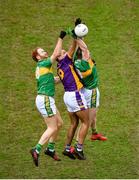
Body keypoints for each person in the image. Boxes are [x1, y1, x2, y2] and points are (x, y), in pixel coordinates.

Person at [30, 31, 66, 167]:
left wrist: (65, 77)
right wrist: (61, 37)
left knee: (60, 124)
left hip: (45, 99)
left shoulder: (42, 68)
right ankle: (36, 149)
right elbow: (56, 54)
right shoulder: (44, 63)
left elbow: (53, 80)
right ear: (38, 57)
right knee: (52, 127)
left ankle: (50, 149)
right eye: (42, 51)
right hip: (45, 99)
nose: (45, 52)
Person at [56, 21, 89, 160]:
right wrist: (75, 33)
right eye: (63, 52)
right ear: (61, 57)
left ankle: (67, 148)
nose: (65, 52)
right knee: (86, 122)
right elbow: (73, 47)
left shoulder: (59, 66)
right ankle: (79, 149)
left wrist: (75, 33)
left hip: (67, 96)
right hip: (75, 94)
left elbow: (72, 49)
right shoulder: (65, 61)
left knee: (74, 123)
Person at [73, 37, 107, 142]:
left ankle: (95, 133)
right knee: (87, 121)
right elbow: (85, 48)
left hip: (84, 91)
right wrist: (76, 36)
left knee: (93, 115)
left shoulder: (76, 61)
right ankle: (75, 145)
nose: (89, 53)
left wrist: (78, 36)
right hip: (92, 92)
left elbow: (82, 47)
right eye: (87, 53)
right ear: (83, 55)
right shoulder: (86, 64)